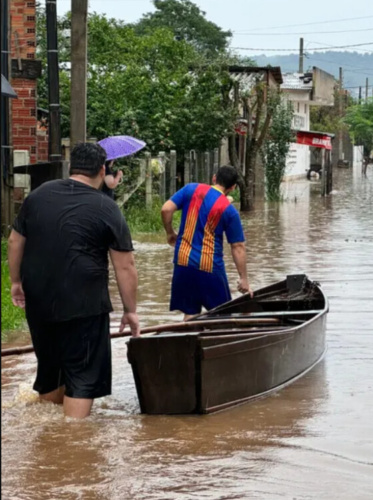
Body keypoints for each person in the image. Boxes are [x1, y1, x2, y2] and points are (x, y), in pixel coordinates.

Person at [7, 142, 139, 419]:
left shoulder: (39, 195)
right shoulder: (106, 207)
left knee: (51, 371)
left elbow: (15, 240)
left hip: (39, 300)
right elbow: (125, 266)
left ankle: (49, 438)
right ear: (102, 170)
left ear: (71, 167)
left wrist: (16, 282)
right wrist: (131, 311)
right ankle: (72, 447)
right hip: (85, 304)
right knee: (82, 377)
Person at [161, 166, 251, 321]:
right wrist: (244, 279)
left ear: (214, 178)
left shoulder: (191, 189)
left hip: (183, 262)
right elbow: (238, 247)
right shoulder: (229, 211)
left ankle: (188, 342)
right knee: (222, 315)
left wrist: (170, 233)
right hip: (209, 266)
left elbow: (166, 209)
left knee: (190, 314)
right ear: (233, 187)